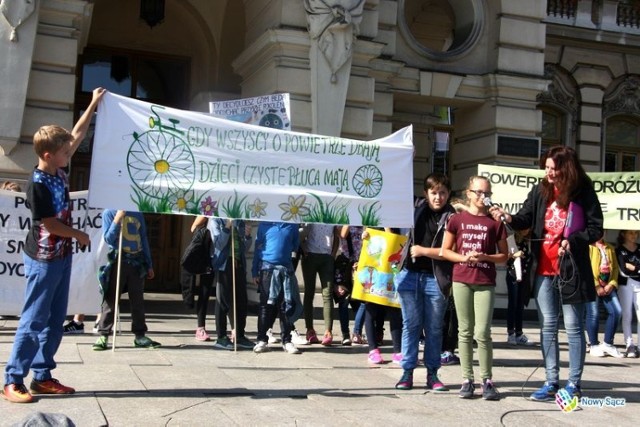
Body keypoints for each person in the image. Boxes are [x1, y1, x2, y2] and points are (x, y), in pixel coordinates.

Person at [2, 88, 104, 404]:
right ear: (48, 155)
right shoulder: (37, 185)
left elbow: (75, 134)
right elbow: (50, 224)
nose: (69, 154)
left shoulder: (58, 169)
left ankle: (42, 376)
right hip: (43, 258)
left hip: (60, 257)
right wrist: (80, 234)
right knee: (34, 319)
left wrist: (93, 105)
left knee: (56, 320)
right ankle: (12, 380)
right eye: (64, 153)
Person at [489, 145, 603, 401]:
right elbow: (523, 219)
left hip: (571, 269)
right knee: (547, 326)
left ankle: (574, 383)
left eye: (554, 168)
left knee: (573, 327)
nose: (549, 172)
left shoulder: (583, 190)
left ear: (567, 168)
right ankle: (551, 381)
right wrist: (507, 217)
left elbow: (596, 229)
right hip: (543, 268)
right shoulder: (541, 189)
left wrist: (572, 240)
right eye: (547, 167)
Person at [442, 175, 508, 401]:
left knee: (483, 333)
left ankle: (487, 380)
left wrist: (485, 256)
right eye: (479, 192)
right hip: (461, 278)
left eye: (487, 193)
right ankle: (466, 379)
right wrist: (463, 257)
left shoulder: (495, 223)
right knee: (465, 331)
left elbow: (504, 255)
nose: (483, 197)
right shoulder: (456, 220)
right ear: (468, 193)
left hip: (485, 281)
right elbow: (445, 251)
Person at [394, 173, 455, 392]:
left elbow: (448, 251)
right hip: (409, 275)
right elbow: (393, 195)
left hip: (435, 279)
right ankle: (407, 372)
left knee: (434, 328)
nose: (438, 197)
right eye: (434, 192)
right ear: (425, 193)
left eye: (442, 193)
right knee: (410, 325)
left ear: (448, 194)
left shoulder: (452, 217)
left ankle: (432, 373)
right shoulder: (414, 207)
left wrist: (422, 251)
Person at [92, 209, 161, 351]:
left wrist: (149, 264)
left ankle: (140, 335)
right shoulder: (109, 213)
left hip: (136, 261)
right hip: (118, 261)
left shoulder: (137, 213)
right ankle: (104, 334)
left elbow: (143, 238)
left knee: (137, 301)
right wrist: (117, 219)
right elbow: (108, 238)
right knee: (111, 299)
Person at [252, 221, 303, 354]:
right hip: (267, 270)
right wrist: (254, 271)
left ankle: (287, 340)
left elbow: (295, 246)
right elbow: (258, 249)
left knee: (285, 306)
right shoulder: (264, 225)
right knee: (265, 306)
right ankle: (262, 339)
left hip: (285, 271)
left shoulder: (292, 225)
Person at [207, 217, 254, 350]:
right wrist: (227, 226)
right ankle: (221, 337)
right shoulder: (215, 221)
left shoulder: (239, 221)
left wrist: (247, 236)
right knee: (223, 302)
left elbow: (244, 249)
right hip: (224, 265)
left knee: (241, 301)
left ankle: (239, 335)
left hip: (239, 265)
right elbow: (219, 244)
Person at [300, 224, 339, 345]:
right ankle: (310, 330)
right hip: (310, 255)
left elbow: (337, 235)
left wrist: (333, 254)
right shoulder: (312, 210)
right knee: (309, 292)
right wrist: (303, 249)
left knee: (327, 294)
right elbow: (301, 232)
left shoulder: (332, 212)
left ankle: (328, 331)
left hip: (326, 257)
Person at [180, 215, 216, 342]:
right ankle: (200, 328)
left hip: (221, 257)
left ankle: (232, 331)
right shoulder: (212, 208)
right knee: (204, 293)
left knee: (226, 293)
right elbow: (193, 227)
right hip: (209, 257)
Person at [586, 238, 622, 358]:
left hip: (608, 285)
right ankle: (593, 344)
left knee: (616, 311)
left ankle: (608, 343)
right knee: (593, 314)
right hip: (593, 286)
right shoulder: (589, 247)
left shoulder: (610, 248)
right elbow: (587, 268)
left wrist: (612, 283)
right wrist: (596, 285)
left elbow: (615, 268)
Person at [335, 225, 365, 346]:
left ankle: (357, 333)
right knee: (343, 300)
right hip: (344, 263)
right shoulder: (342, 222)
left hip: (360, 263)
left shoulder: (364, 223)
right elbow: (342, 234)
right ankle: (345, 335)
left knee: (363, 301)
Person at [506, 228, 534, 346]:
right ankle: (511, 333)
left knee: (520, 305)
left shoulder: (528, 242)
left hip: (524, 275)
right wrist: (513, 255)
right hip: (513, 275)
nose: (526, 231)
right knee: (513, 304)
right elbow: (504, 256)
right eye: (524, 228)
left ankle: (519, 333)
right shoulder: (511, 240)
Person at [615, 230, 640, 358]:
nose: (634, 236)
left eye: (636, 233)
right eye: (631, 233)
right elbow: (624, 269)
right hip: (625, 284)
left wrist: (635, 268)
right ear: (624, 234)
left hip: (638, 283)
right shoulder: (619, 250)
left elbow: (632, 268)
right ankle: (629, 344)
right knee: (627, 315)